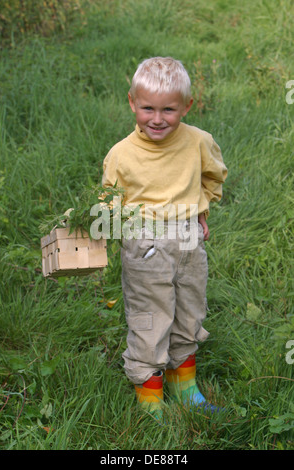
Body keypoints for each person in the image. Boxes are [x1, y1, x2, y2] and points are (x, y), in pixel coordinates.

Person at [102, 57, 228, 418]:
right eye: (147, 108)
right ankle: (150, 398)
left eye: (169, 109)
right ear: (132, 103)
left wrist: (201, 209)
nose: (157, 119)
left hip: (188, 240)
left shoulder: (199, 142)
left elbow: (213, 175)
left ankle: (184, 385)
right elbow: (108, 201)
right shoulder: (121, 155)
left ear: (187, 106)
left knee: (190, 307)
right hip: (145, 244)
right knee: (150, 316)